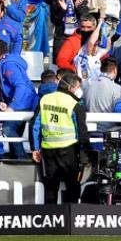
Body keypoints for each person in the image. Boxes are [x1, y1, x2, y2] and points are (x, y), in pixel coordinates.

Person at [31, 70, 90, 204]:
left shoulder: (45, 99)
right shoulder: (76, 104)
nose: (78, 91)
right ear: (71, 87)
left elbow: (35, 125)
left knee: (50, 189)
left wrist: (35, 148)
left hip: (48, 151)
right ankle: (71, 220)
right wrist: (85, 155)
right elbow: (82, 132)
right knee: (72, 188)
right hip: (69, 151)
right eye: (77, 87)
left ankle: (50, 221)